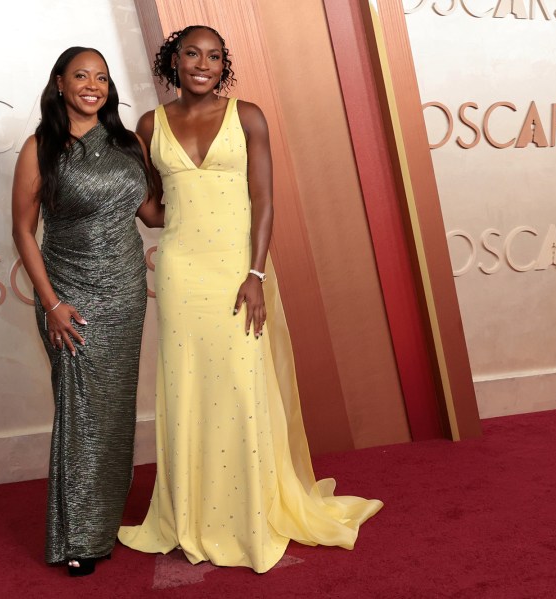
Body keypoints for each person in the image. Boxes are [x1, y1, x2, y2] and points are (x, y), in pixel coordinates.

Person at [117, 25, 383, 573]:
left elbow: (265, 199)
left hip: (238, 272)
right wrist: (166, 221)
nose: (203, 64)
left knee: (241, 386)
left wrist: (256, 271)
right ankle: (190, 513)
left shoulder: (249, 116)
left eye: (214, 56)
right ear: (174, 60)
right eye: (192, 53)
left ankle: (248, 512)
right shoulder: (149, 125)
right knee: (187, 387)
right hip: (181, 273)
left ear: (223, 66)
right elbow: (151, 205)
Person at [12, 46, 163, 577]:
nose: (93, 84)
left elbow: (152, 214)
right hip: (68, 296)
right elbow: (23, 232)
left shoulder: (127, 143)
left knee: (114, 409)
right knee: (79, 409)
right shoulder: (41, 148)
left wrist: (213, 182)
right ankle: (78, 534)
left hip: (124, 292)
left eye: (101, 76)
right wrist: (51, 302)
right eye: (81, 75)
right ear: (60, 83)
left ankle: (101, 522)